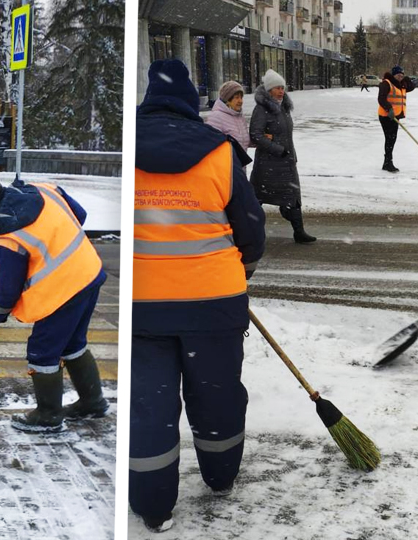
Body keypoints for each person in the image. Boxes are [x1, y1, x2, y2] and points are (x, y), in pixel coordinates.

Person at [132, 59, 266, 533]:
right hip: (213, 303)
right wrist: (242, 266)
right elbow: (250, 227)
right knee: (217, 394)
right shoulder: (219, 151)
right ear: (191, 101)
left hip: (140, 309)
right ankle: (221, 477)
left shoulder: (131, 149)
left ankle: (153, 507)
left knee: (148, 405)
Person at [0, 174, 108, 434]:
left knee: (42, 351)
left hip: (63, 291)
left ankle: (48, 415)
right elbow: (80, 213)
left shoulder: (8, 239)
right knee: (73, 344)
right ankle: (92, 402)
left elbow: (8, 292)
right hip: (90, 272)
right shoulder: (43, 190)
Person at [249, 68, 316, 243]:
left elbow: (286, 135)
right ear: (269, 90)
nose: (281, 91)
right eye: (277, 88)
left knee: (292, 196)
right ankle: (249, 231)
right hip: (267, 164)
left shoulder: (284, 108)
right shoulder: (261, 109)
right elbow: (255, 134)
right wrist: (278, 149)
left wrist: (291, 154)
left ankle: (299, 232)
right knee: (258, 198)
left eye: (282, 88)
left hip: (287, 162)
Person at [376, 65, 416, 173]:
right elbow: (381, 98)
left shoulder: (401, 85)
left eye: (402, 75)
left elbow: (412, 87)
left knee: (392, 139)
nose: (400, 77)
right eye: (398, 75)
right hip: (386, 116)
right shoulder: (386, 83)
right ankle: (388, 163)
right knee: (390, 139)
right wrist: (389, 109)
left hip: (395, 116)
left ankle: (387, 162)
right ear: (394, 75)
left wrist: (406, 79)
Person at [204, 81, 250, 170]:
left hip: (240, 170)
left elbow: (242, 140)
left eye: (241, 97)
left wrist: (259, 138)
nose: (240, 101)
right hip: (225, 171)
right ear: (227, 100)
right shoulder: (216, 117)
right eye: (236, 98)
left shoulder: (240, 117)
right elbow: (210, 146)